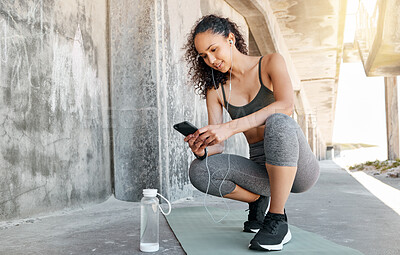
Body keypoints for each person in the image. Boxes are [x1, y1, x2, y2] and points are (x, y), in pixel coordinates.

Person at [182, 14, 320, 251]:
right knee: (199, 171)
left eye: (214, 49)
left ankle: (277, 218)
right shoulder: (216, 91)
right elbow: (219, 145)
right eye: (204, 56)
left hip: (298, 169)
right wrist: (202, 149)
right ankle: (259, 200)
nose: (211, 59)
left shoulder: (270, 63)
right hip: (262, 172)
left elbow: (287, 105)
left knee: (278, 120)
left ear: (231, 39)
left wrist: (230, 127)